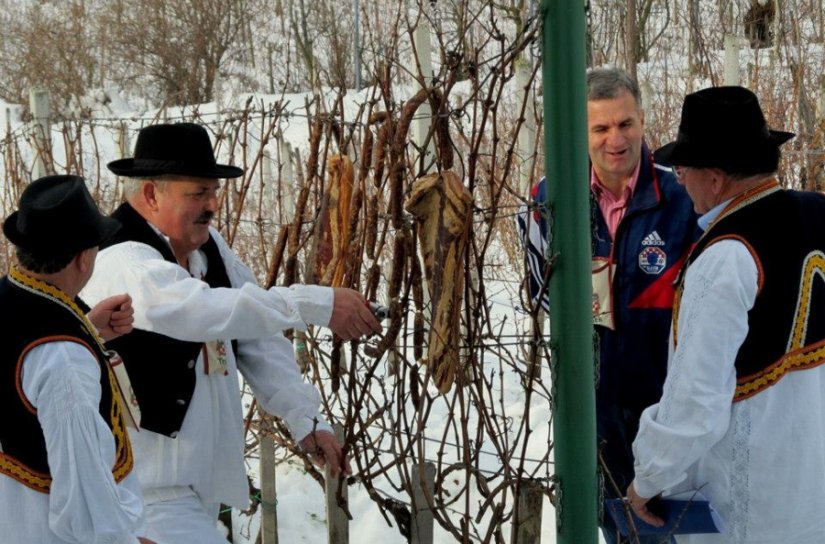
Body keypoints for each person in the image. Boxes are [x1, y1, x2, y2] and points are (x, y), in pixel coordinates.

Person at [79, 122, 382, 544]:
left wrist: (303, 417)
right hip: (140, 495)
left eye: (214, 192)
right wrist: (316, 304)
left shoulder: (209, 248)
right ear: (151, 195)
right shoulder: (121, 257)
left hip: (191, 491)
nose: (213, 205)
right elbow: (197, 310)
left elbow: (253, 336)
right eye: (198, 193)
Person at [627, 86, 825, 542]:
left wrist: (649, 479)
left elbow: (696, 400)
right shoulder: (818, 213)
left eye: (685, 168)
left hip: (754, 506)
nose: (679, 179)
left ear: (715, 178)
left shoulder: (726, 255)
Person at [517, 67, 698, 543]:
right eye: (600, 128)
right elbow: (540, 293)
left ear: (642, 121)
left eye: (625, 124)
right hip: (590, 405)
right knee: (615, 526)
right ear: (581, 133)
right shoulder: (548, 200)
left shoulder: (680, 198)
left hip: (665, 405)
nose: (615, 139)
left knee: (674, 529)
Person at [0, 175, 154, 544]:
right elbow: (83, 483)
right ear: (84, 258)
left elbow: (21, 367)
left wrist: (87, 330)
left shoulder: (11, 299)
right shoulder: (64, 358)